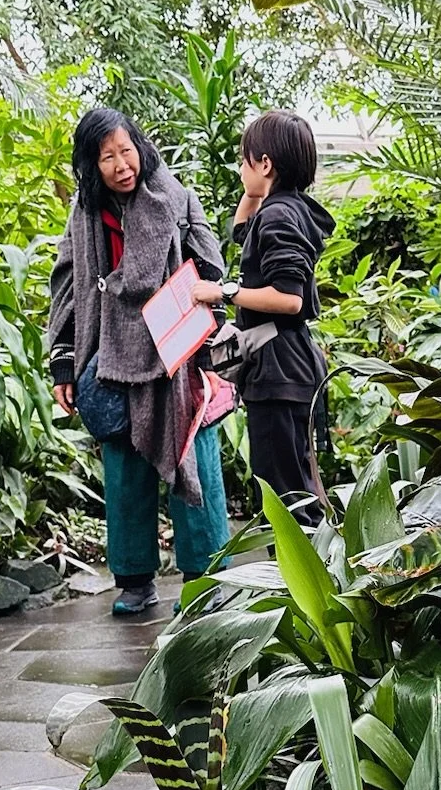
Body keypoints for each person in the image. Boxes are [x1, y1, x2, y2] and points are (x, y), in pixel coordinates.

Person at [49, 107, 230, 616]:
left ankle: (204, 583)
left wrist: (193, 304)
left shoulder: (177, 198)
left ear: (139, 148)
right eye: (106, 157)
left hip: (178, 358)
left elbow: (211, 267)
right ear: (91, 164)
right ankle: (134, 581)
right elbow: (67, 287)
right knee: (125, 472)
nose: (120, 164)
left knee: (194, 460)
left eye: (126, 151)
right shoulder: (84, 216)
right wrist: (64, 364)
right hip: (112, 360)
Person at [192, 110, 333, 523]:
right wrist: (256, 187)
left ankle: (300, 583)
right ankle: (306, 580)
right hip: (290, 367)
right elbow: (242, 230)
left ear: (266, 164)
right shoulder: (287, 209)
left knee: (285, 494)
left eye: (245, 160)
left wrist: (224, 291)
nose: (240, 170)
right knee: (293, 484)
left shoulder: (277, 216)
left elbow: (288, 298)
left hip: (279, 373)